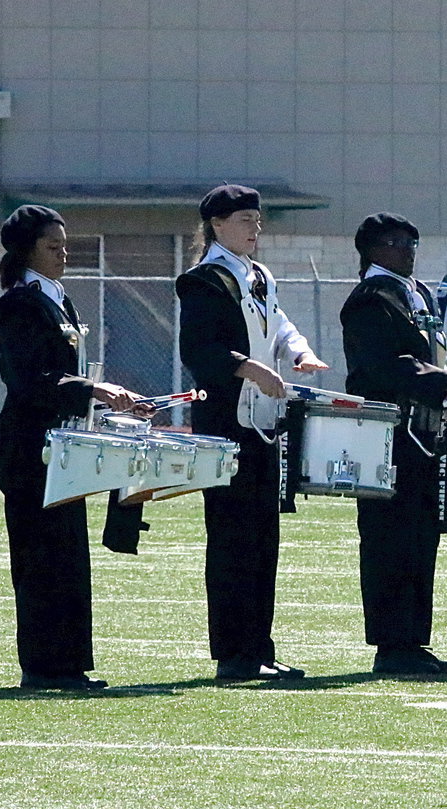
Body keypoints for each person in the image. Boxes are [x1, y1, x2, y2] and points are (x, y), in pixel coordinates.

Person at [0, 204, 151, 690]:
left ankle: (70, 664)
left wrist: (108, 401)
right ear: (27, 251)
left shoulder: (59, 300)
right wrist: (92, 389)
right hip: (29, 449)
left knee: (68, 556)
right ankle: (42, 667)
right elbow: (27, 380)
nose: (63, 254)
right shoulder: (19, 305)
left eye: (65, 245)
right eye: (52, 247)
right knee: (40, 560)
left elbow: (66, 380)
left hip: (64, 448)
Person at [177, 184, 329, 681]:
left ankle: (259, 647)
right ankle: (234, 653)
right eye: (245, 219)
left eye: (257, 219)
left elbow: (278, 324)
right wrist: (248, 368)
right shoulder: (204, 280)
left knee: (264, 538)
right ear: (217, 225)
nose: (255, 228)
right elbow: (199, 350)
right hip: (226, 424)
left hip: (264, 422)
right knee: (232, 539)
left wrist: (299, 352)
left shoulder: (258, 275)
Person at [340, 212, 447, 675]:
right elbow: (385, 364)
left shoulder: (415, 291)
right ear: (373, 250)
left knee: (421, 535)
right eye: (398, 243)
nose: (408, 251)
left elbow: (428, 356)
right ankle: (391, 643)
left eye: (413, 243)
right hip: (386, 434)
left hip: (423, 430)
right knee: (389, 536)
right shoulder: (371, 297)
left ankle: (413, 640)